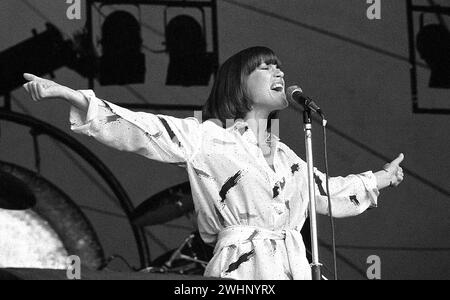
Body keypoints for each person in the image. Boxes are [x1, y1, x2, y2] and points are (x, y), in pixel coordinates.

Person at [22, 46, 404, 280]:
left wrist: (381, 179)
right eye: (266, 67)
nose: (280, 73)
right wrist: (76, 98)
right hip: (243, 269)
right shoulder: (211, 138)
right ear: (239, 83)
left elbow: (326, 193)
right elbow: (146, 130)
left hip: (294, 268)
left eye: (280, 67)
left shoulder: (289, 157)